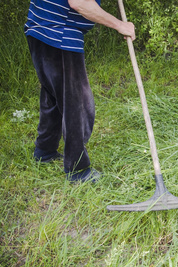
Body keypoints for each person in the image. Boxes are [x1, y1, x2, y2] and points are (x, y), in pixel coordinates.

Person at [24, 0, 135, 183]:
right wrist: (119, 25)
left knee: (53, 96)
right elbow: (80, 3)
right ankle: (77, 170)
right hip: (58, 33)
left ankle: (45, 151)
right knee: (77, 104)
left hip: (40, 29)